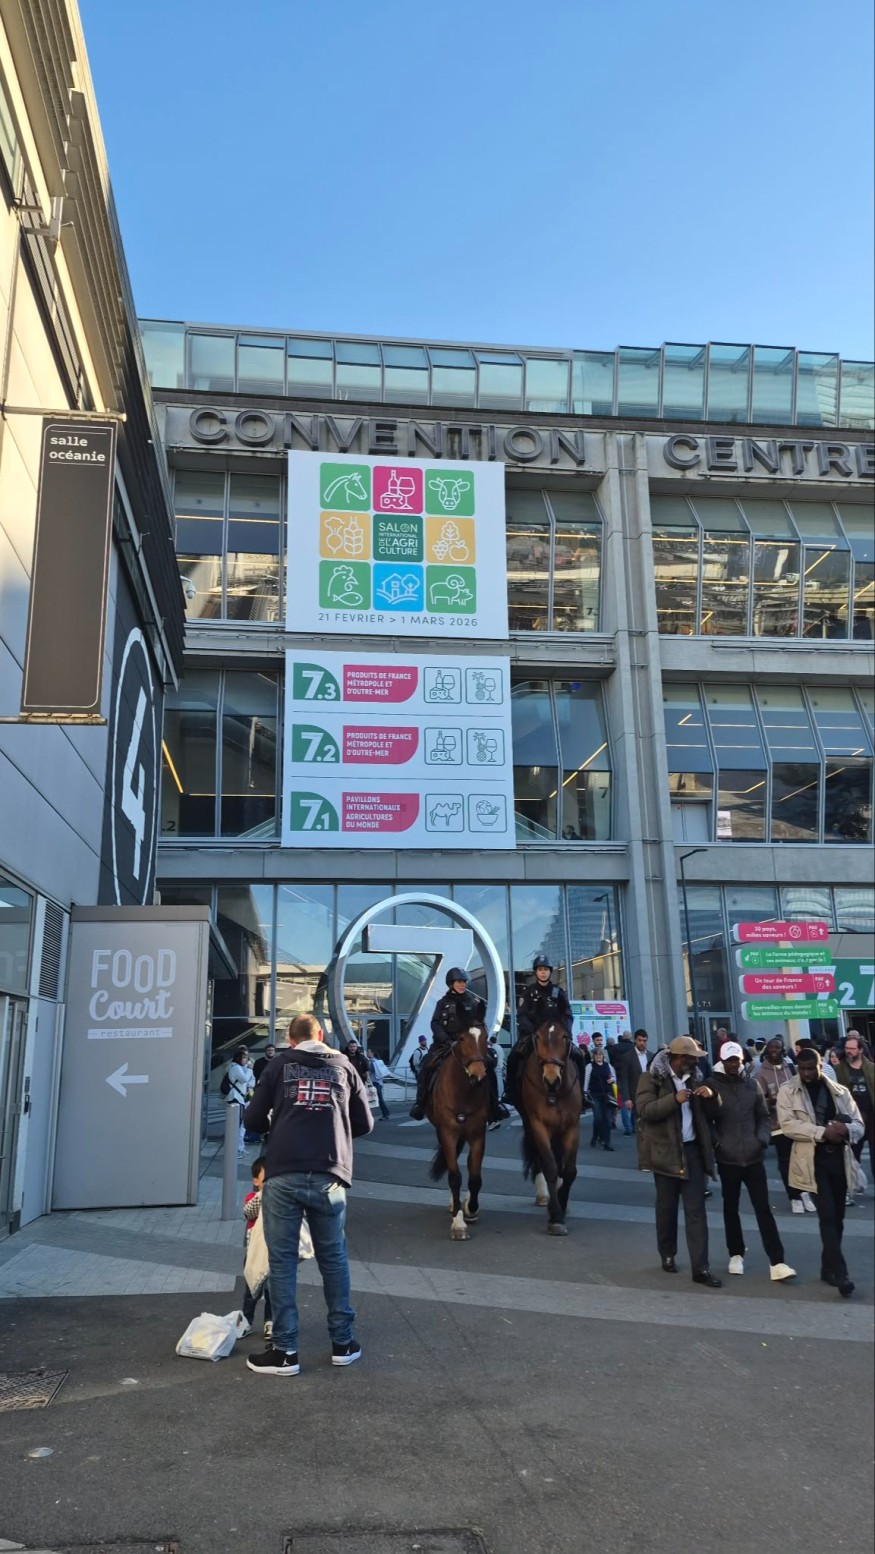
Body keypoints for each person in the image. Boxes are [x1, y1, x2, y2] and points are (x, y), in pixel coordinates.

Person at [242, 1012, 374, 1375]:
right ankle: (343, 1344)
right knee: (334, 1259)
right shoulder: (345, 1066)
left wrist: (278, 1120)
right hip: (330, 1173)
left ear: (291, 1039)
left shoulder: (278, 1065)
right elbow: (365, 1123)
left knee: (282, 1261)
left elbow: (252, 1120)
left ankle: (285, 1351)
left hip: (283, 1172)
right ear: (320, 1035)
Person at [776, 1046, 864, 1298]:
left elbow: (859, 1124)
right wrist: (822, 1132)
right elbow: (788, 1126)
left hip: (838, 1159)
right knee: (826, 1215)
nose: (806, 1073)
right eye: (802, 1069)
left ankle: (828, 1266)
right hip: (811, 1160)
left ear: (819, 1067)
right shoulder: (788, 1091)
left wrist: (845, 1130)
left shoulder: (839, 1091)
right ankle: (841, 1273)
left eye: (810, 1069)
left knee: (838, 1218)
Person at [636, 1035, 723, 1286]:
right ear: (679, 1058)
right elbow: (645, 1110)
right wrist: (674, 1099)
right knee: (667, 1208)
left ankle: (701, 1268)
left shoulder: (696, 1077)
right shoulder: (652, 1078)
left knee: (696, 1211)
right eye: (692, 1058)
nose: (696, 1062)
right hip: (665, 1152)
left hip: (693, 1151)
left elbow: (714, 1113)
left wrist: (711, 1096)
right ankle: (667, 1253)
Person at [709, 1043, 796, 1283]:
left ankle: (777, 1261)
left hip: (753, 1155)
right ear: (722, 1061)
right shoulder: (712, 1085)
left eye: (737, 1060)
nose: (734, 1064)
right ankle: (735, 1253)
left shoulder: (751, 1084)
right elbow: (707, 1120)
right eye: (729, 1060)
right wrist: (718, 1144)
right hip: (728, 1158)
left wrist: (762, 1140)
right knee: (731, 1207)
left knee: (763, 1208)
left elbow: (763, 1115)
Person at [409, 969, 507, 1123]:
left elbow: (478, 1025)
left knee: (489, 1066)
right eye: (459, 982)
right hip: (445, 1044)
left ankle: (495, 1105)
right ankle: (420, 1103)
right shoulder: (442, 1003)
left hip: (469, 1045)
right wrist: (447, 1040)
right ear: (451, 984)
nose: (463, 985)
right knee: (425, 1066)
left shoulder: (473, 1002)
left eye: (464, 982)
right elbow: (435, 1024)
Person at [504, 957, 586, 1108]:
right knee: (513, 1057)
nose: (543, 972)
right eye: (540, 969)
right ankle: (510, 1092)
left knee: (579, 1056)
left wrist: (567, 1032)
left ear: (550, 972)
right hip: (532, 1035)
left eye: (546, 969)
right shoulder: (528, 992)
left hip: (556, 1037)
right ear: (536, 972)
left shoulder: (558, 992)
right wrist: (532, 1031)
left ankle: (582, 1093)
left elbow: (568, 1015)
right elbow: (521, 1015)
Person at [755, 1037, 810, 1215]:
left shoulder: (791, 1068)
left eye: (777, 1048)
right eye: (771, 1048)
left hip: (797, 1120)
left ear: (782, 1050)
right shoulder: (761, 1073)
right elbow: (758, 1101)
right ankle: (794, 1196)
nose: (774, 1051)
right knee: (786, 1161)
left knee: (801, 1158)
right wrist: (769, 1100)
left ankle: (804, 1191)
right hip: (778, 1123)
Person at [834, 1033, 874, 1200]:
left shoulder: (871, 1068)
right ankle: (850, 1187)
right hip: (852, 1117)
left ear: (860, 1050)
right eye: (846, 1048)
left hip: (871, 1116)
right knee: (851, 1153)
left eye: (852, 1048)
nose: (848, 1051)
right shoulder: (840, 1069)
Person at [241, 1154, 272, 1341]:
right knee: (251, 1290)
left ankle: (270, 1322)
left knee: (272, 1291)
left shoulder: (280, 1198)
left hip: (273, 1253)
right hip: (254, 1253)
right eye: (266, 1178)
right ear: (256, 1181)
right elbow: (249, 1212)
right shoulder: (253, 1197)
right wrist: (263, 1194)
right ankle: (245, 1321)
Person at [616, 1028, 654, 1127]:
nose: (642, 1043)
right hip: (635, 1095)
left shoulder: (651, 1056)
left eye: (644, 1041)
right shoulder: (627, 1057)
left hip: (650, 1095)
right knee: (639, 1124)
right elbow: (624, 1079)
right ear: (635, 1040)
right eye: (640, 1040)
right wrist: (627, 1098)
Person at [583, 1047, 617, 1150]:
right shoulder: (590, 1066)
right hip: (595, 1094)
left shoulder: (608, 1066)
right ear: (594, 1056)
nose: (599, 1056)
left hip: (607, 1095)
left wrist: (612, 1080)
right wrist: (585, 1093)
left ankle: (607, 1143)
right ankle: (595, 1136)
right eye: (597, 1054)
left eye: (600, 1054)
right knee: (598, 1118)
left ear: (603, 1056)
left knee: (607, 1119)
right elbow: (586, 1080)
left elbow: (614, 1077)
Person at [225, 1045, 255, 1156]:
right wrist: (250, 1069)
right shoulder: (235, 1068)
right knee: (236, 1126)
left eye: (246, 1057)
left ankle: (239, 1148)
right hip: (236, 1098)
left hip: (240, 1098)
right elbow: (245, 1079)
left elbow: (251, 1081)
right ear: (239, 1058)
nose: (246, 1060)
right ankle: (235, 1150)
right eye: (244, 1057)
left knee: (241, 1125)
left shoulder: (240, 1068)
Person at [367, 1047, 391, 1121]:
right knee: (377, 1098)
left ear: (372, 1053)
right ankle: (385, 1113)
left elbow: (370, 1071)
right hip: (379, 1082)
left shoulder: (373, 1062)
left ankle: (385, 1113)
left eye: (368, 1052)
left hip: (375, 1082)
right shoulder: (377, 1061)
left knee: (376, 1098)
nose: (367, 1053)